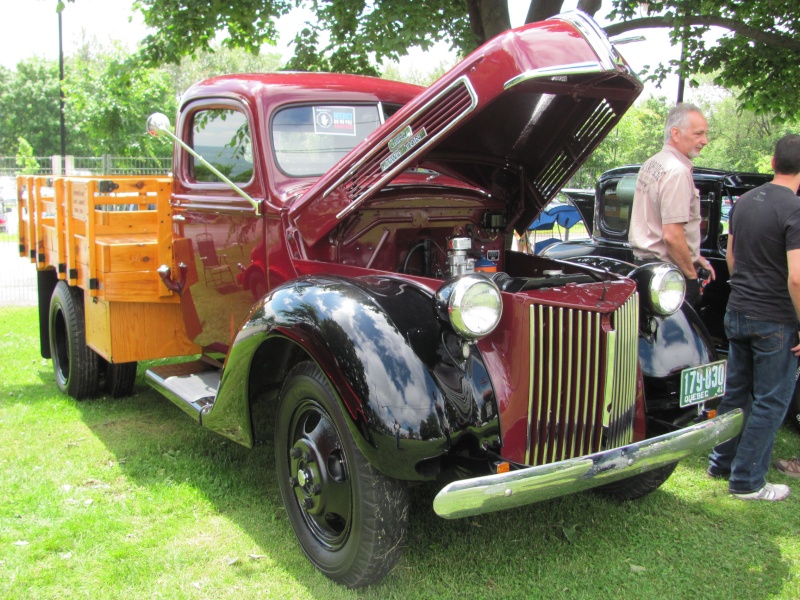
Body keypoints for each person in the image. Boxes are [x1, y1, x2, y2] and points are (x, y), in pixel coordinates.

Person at [707, 133, 800, 501]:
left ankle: (720, 463)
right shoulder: (794, 210)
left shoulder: (744, 202)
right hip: (774, 318)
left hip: (738, 309)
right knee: (770, 401)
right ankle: (747, 482)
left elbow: (731, 257)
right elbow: (796, 276)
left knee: (736, 394)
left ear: (773, 162)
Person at [628, 103, 716, 304]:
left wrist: (695, 256)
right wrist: (691, 277)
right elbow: (672, 236)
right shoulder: (677, 172)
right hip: (667, 276)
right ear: (676, 134)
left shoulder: (653, 162)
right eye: (698, 134)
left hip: (646, 267)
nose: (705, 140)